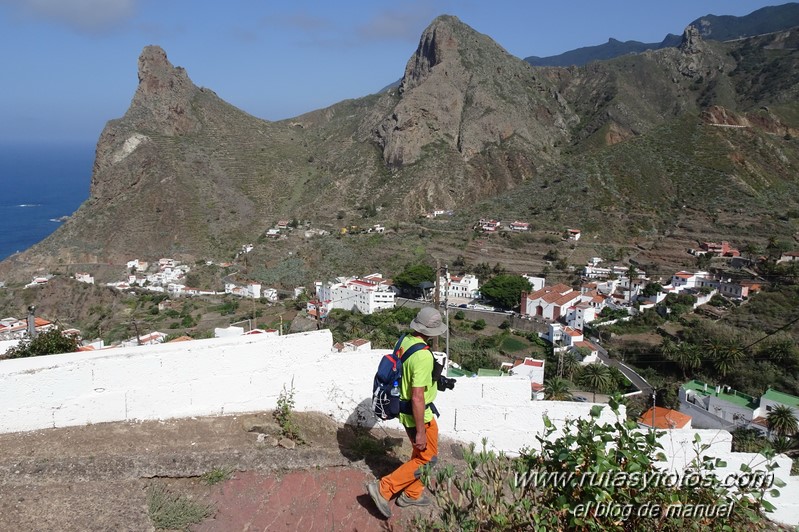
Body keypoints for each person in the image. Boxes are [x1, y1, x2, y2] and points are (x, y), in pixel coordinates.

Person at [367, 306, 446, 518]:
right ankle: (384, 488)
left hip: (403, 408)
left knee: (420, 453)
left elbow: (407, 374)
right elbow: (418, 396)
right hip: (419, 415)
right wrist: (420, 430)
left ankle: (412, 494)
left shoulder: (404, 341)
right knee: (428, 459)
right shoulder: (423, 355)